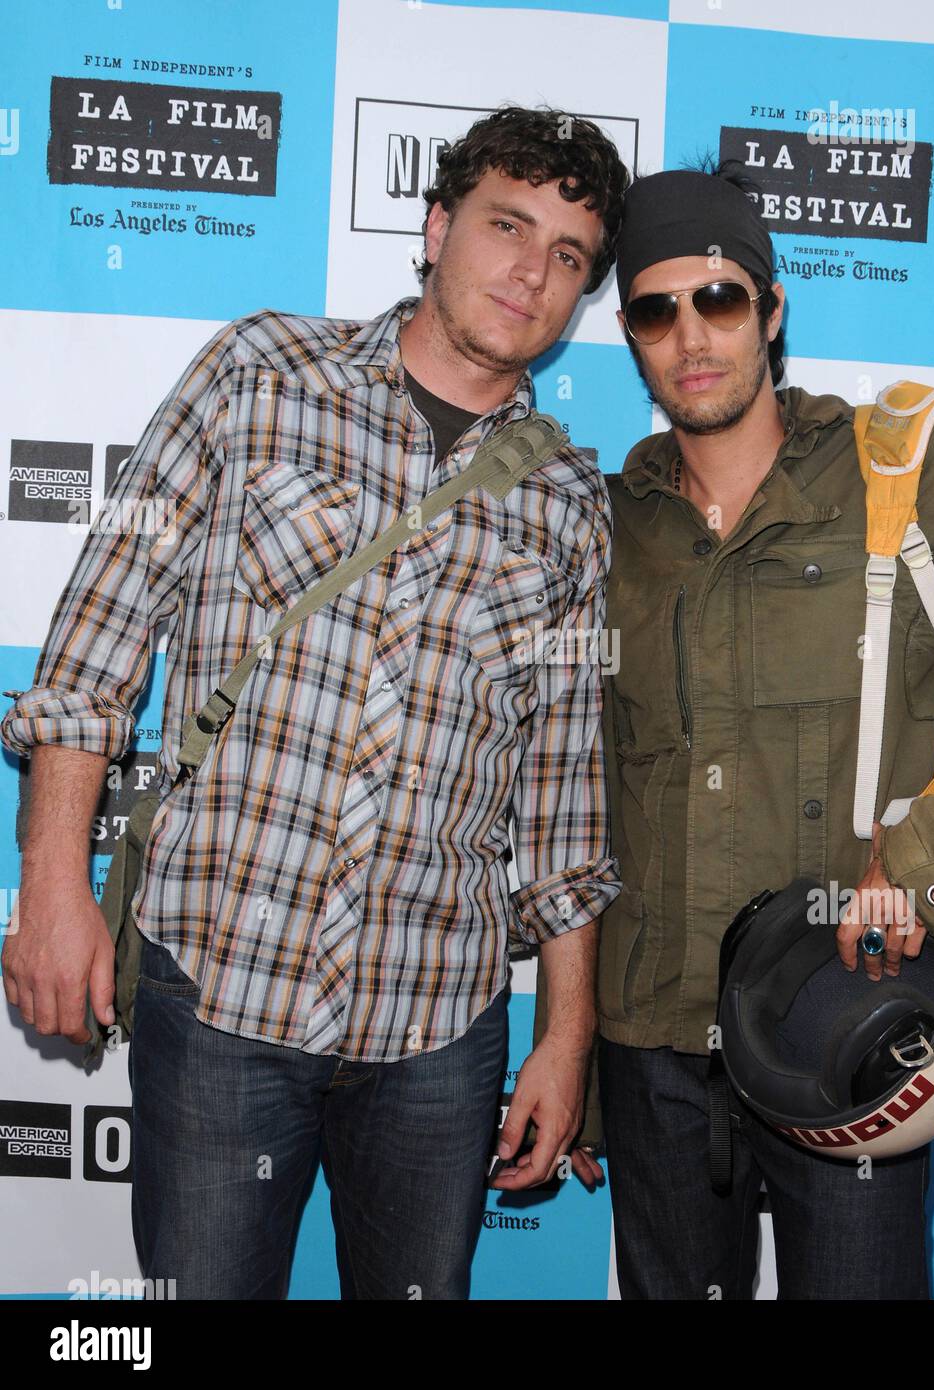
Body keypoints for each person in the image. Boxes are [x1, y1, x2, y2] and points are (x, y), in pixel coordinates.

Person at [0, 105, 628, 1299]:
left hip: (437, 1026)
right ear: (436, 229)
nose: (530, 270)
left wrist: (564, 1036)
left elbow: (562, 800)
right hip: (223, 984)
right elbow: (99, 637)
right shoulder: (260, 371)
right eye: (507, 225)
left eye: (568, 256)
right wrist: (51, 888)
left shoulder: (568, 505)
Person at [586, 160, 934, 1299]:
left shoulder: (907, 469)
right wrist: (577, 1049)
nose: (692, 335)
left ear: (772, 310)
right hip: (656, 1054)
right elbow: (583, 800)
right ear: (628, 334)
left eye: (719, 297)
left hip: (855, 1023)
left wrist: (919, 873)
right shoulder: (605, 524)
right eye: (654, 309)